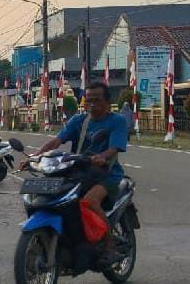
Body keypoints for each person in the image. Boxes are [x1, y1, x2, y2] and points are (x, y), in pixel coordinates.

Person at [21, 81, 127, 266]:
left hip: (107, 174)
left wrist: (101, 157)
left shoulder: (117, 121)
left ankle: (110, 246)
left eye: (97, 100)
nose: (92, 104)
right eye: (89, 100)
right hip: (79, 171)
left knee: (90, 201)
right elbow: (56, 141)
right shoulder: (79, 120)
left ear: (107, 102)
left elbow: (114, 148)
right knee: (56, 196)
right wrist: (35, 157)